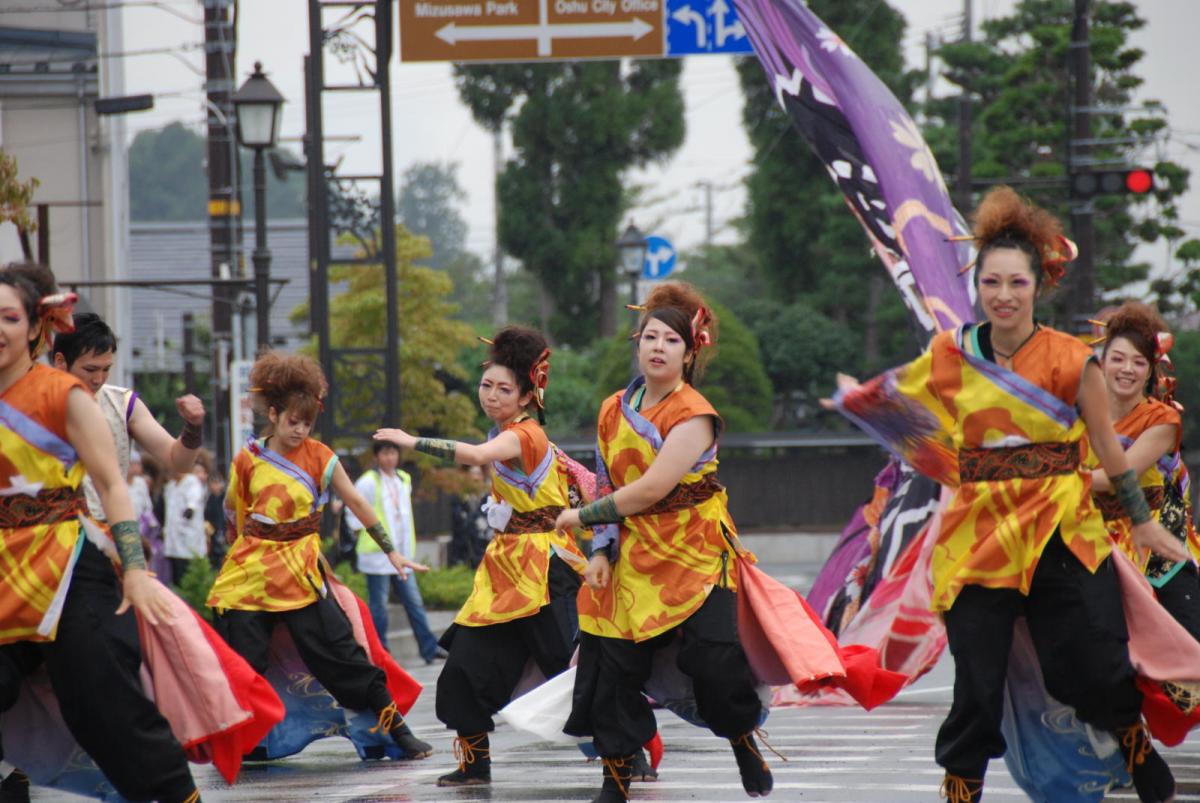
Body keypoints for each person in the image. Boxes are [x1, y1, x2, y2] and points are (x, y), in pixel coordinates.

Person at [827, 187, 1187, 803]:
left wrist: (1143, 522)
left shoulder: (1073, 361)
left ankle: (1130, 738)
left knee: (1091, 666)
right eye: (991, 282)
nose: (1002, 295)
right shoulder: (951, 354)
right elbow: (905, 405)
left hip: (1062, 528)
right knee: (977, 682)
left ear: (1037, 285)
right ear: (977, 285)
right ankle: (961, 788)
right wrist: (864, 399)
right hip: (978, 536)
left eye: (1016, 283)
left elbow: (1105, 447)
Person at [552, 282, 774, 803]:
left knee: (717, 666)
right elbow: (608, 480)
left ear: (689, 352)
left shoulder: (694, 414)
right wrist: (601, 550)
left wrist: (581, 517)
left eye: (670, 341)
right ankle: (615, 776)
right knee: (611, 667)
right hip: (631, 554)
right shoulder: (613, 408)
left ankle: (741, 737)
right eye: (650, 336)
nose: (657, 347)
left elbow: (652, 488)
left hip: (696, 553)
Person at [0, 263, 200, 802]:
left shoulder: (64, 396)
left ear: (34, 327)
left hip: (68, 562)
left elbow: (113, 485)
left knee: (103, 700)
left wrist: (135, 569)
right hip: (3, 572)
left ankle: (176, 795)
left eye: (9, 317)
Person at [374, 325, 585, 788]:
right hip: (505, 572)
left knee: (570, 672)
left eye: (503, 388)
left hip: (546, 571)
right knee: (464, 670)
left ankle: (628, 754)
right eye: (486, 385)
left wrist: (412, 442)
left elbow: (475, 454)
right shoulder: (506, 431)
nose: (490, 395)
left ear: (528, 396)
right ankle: (475, 764)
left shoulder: (525, 436)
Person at [207, 351, 433, 760]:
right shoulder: (248, 458)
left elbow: (358, 505)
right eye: (293, 421)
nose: (300, 429)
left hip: (301, 573)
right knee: (242, 662)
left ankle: (396, 730)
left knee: (343, 655)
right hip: (251, 574)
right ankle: (248, 742)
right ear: (273, 414)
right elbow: (232, 512)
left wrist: (391, 551)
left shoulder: (321, 457)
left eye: (307, 422)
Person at [1089, 302, 1200, 640]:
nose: (1127, 369)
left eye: (1139, 362)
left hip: (1155, 546)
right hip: (1094, 542)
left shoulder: (1162, 420)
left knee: (1187, 646)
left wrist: (1051, 476)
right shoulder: (1078, 412)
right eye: (1118, 359)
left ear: (1151, 371)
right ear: (1102, 362)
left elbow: (1113, 480)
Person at [51, 312, 207, 526]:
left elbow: (179, 461)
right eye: (90, 369)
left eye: (106, 369)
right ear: (60, 361)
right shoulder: (29, 404)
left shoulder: (123, 404)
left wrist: (193, 426)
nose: (99, 379)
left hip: (104, 530)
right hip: (46, 536)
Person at [344, 439, 445, 664]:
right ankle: (382, 653)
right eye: (385, 453)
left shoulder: (403, 478)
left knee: (414, 601)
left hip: (402, 553)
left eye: (393, 453)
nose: (390, 458)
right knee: (379, 606)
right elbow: (354, 513)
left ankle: (429, 648)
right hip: (376, 554)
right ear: (377, 456)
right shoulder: (367, 482)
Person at [163, 452, 211, 584]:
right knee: (176, 578)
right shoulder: (170, 487)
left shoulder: (192, 482)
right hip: (173, 541)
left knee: (189, 577)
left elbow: (194, 498)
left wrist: (190, 509)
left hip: (189, 540)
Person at [449, 464, 490, 568]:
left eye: (478, 474)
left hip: (483, 549)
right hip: (462, 547)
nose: (475, 477)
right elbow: (457, 520)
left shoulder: (488, 498)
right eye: (473, 473)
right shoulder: (460, 497)